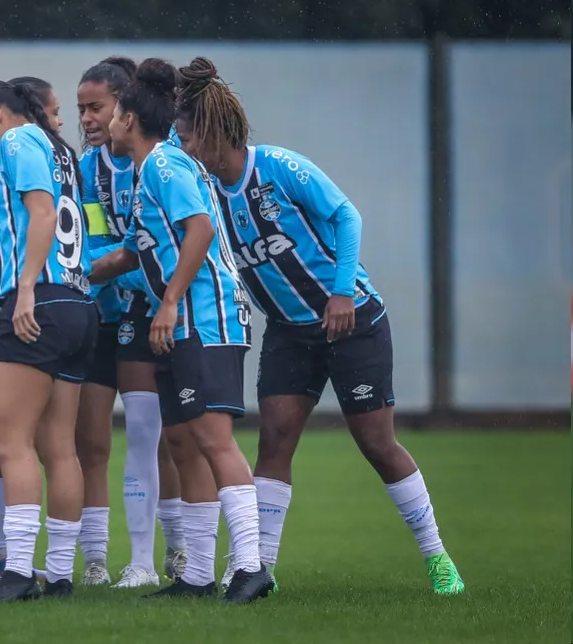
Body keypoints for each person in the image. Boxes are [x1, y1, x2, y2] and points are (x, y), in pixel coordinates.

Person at [173, 56, 464, 596]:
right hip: (289, 332)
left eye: (187, 138)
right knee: (275, 442)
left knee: (377, 444)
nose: (183, 150)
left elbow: (346, 215)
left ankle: (437, 557)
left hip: (352, 321)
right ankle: (261, 572)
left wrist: (340, 291)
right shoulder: (205, 192)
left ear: (213, 133)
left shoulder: (279, 168)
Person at [91, 58, 272, 604]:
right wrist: (73, 270)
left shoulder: (165, 165)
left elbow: (199, 229)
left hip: (203, 317)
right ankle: (195, 576)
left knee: (213, 440)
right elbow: (134, 252)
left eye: (114, 112)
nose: (105, 124)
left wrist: (168, 302)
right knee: (184, 442)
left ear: (130, 120)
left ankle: (250, 566)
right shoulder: (153, 169)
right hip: (183, 320)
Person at [0, 79, 98, 603]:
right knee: (59, 447)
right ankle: (59, 574)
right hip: (77, 302)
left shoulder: (20, 142)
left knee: (7, 439)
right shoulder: (61, 152)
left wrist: (20, 293)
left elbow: (41, 215)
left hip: (40, 300)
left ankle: (19, 573)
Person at [77, 56, 188, 588]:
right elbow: (96, 240)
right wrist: (102, 277)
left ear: (126, 108)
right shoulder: (89, 170)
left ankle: (177, 552)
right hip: (109, 315)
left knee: (168, 438)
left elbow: (185, 235)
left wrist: (145, 283)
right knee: (104, 441)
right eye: (80, 109)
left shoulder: (168, 162)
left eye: (96, 107)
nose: (87, 119)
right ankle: (112, 559)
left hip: (165, 309)